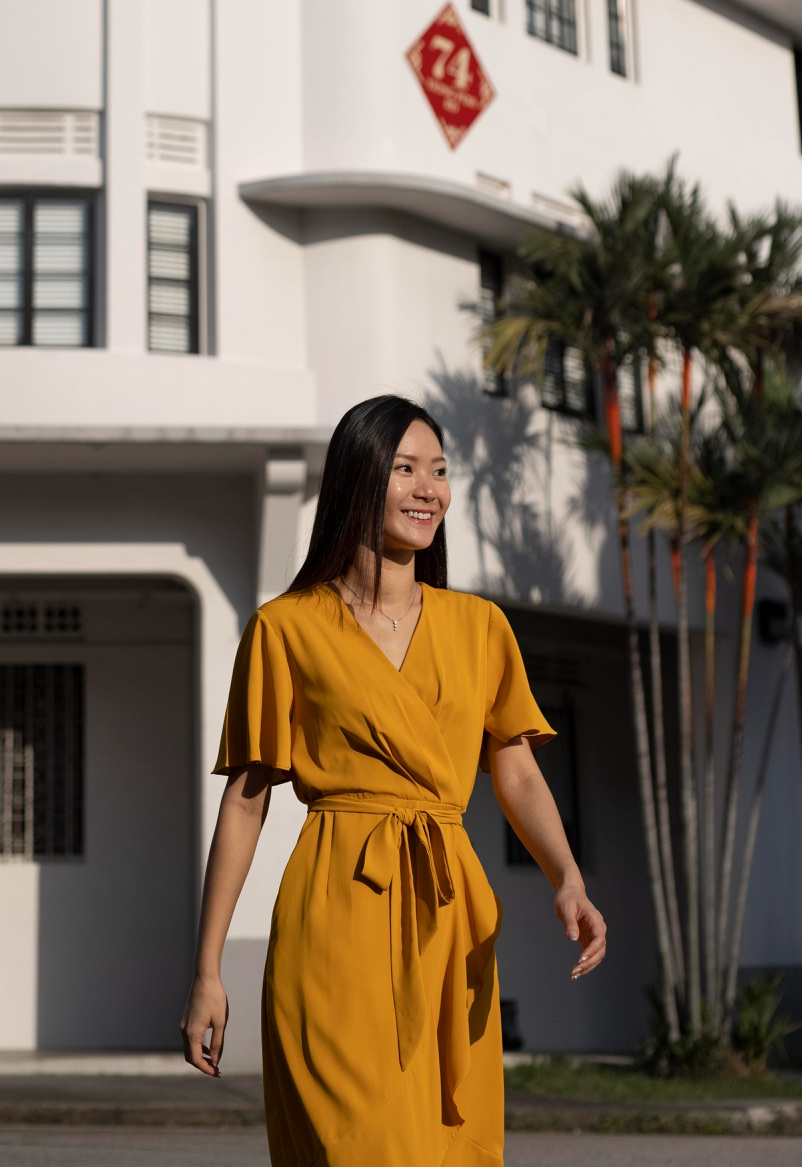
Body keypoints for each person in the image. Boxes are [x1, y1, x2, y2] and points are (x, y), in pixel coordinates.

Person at [179, 393, 607, 1166]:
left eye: (439, 471)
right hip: (334, 913)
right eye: (404, 468)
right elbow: (247, 802)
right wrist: (208, 969)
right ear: (356, 480)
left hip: (447, 918)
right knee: (356, 1144)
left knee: (442, 1146)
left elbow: (515, 771)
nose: (427, 488)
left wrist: (566, 876)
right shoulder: (286, 628)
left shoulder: (480, 628)